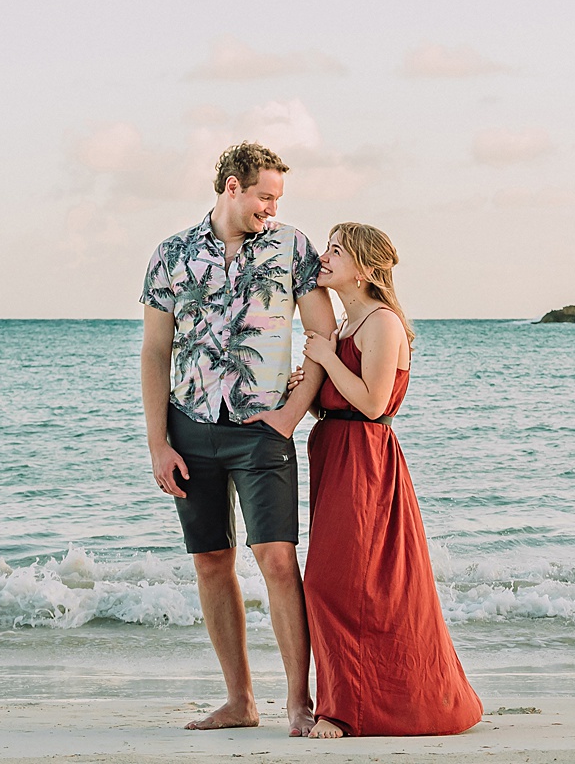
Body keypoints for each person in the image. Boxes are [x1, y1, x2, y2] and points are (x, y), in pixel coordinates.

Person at [139, 141, 337, 736]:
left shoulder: (291, 247)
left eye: (277, 199)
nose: (271, 209)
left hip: (261, 431)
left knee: (277, 561)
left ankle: (298, 702)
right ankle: (240, 700)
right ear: (232, 186)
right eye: (264, 197)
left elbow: (322, 336)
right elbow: (155, 350)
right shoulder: (171, 254)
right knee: (210, 563)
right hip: (190, 428)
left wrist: (292, 414)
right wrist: (158, 442)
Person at [295, 222, 482, 739]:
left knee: (341, 584)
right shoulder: (348, 327)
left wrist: (327, 357)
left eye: (337, 251)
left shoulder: (381, 323)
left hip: (365, 462)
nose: (325, 257)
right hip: (334, 454)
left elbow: (374, 405)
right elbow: (334, 406)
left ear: (366, 268)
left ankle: (343, 710)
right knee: (341, 582)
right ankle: (349, 701)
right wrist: (310, 383)